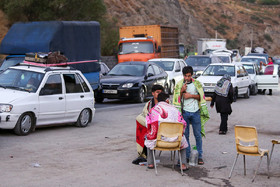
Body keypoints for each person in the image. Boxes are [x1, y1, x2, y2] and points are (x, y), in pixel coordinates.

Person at [173, 66, 209, 165]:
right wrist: (181, 91)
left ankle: (199, 156)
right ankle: (187, 156)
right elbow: (175, 98)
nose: (187, 78)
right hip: (184, 112)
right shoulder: (179, 84)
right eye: (185, 76)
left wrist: (191, 96)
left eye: (189, 76)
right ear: (183, 75)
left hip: (196, 112)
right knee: (185, 136)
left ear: (192, 75)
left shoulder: (197, 84)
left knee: (198, 135)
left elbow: (201, 97)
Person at [145, 92, 188, 170]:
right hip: (175, 141)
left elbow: (147, 124)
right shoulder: (176, 110)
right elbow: (183, 124)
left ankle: (150, 163)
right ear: (167, 100)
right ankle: (183, 165)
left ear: (158, 100)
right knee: (183, 139)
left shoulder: (153, 110)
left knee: (148, 137)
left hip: (159, 140)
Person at [132, 85, 164, 165]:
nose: (159, 94)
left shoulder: (166, 104)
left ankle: (147, 156)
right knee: (139, 119)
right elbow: (145, 115)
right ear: (153, 93)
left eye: (160, 92)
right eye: (157, 92)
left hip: (163, 129)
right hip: (151, 127)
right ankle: (143, 155)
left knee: (148, 130)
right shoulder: (149, 104)